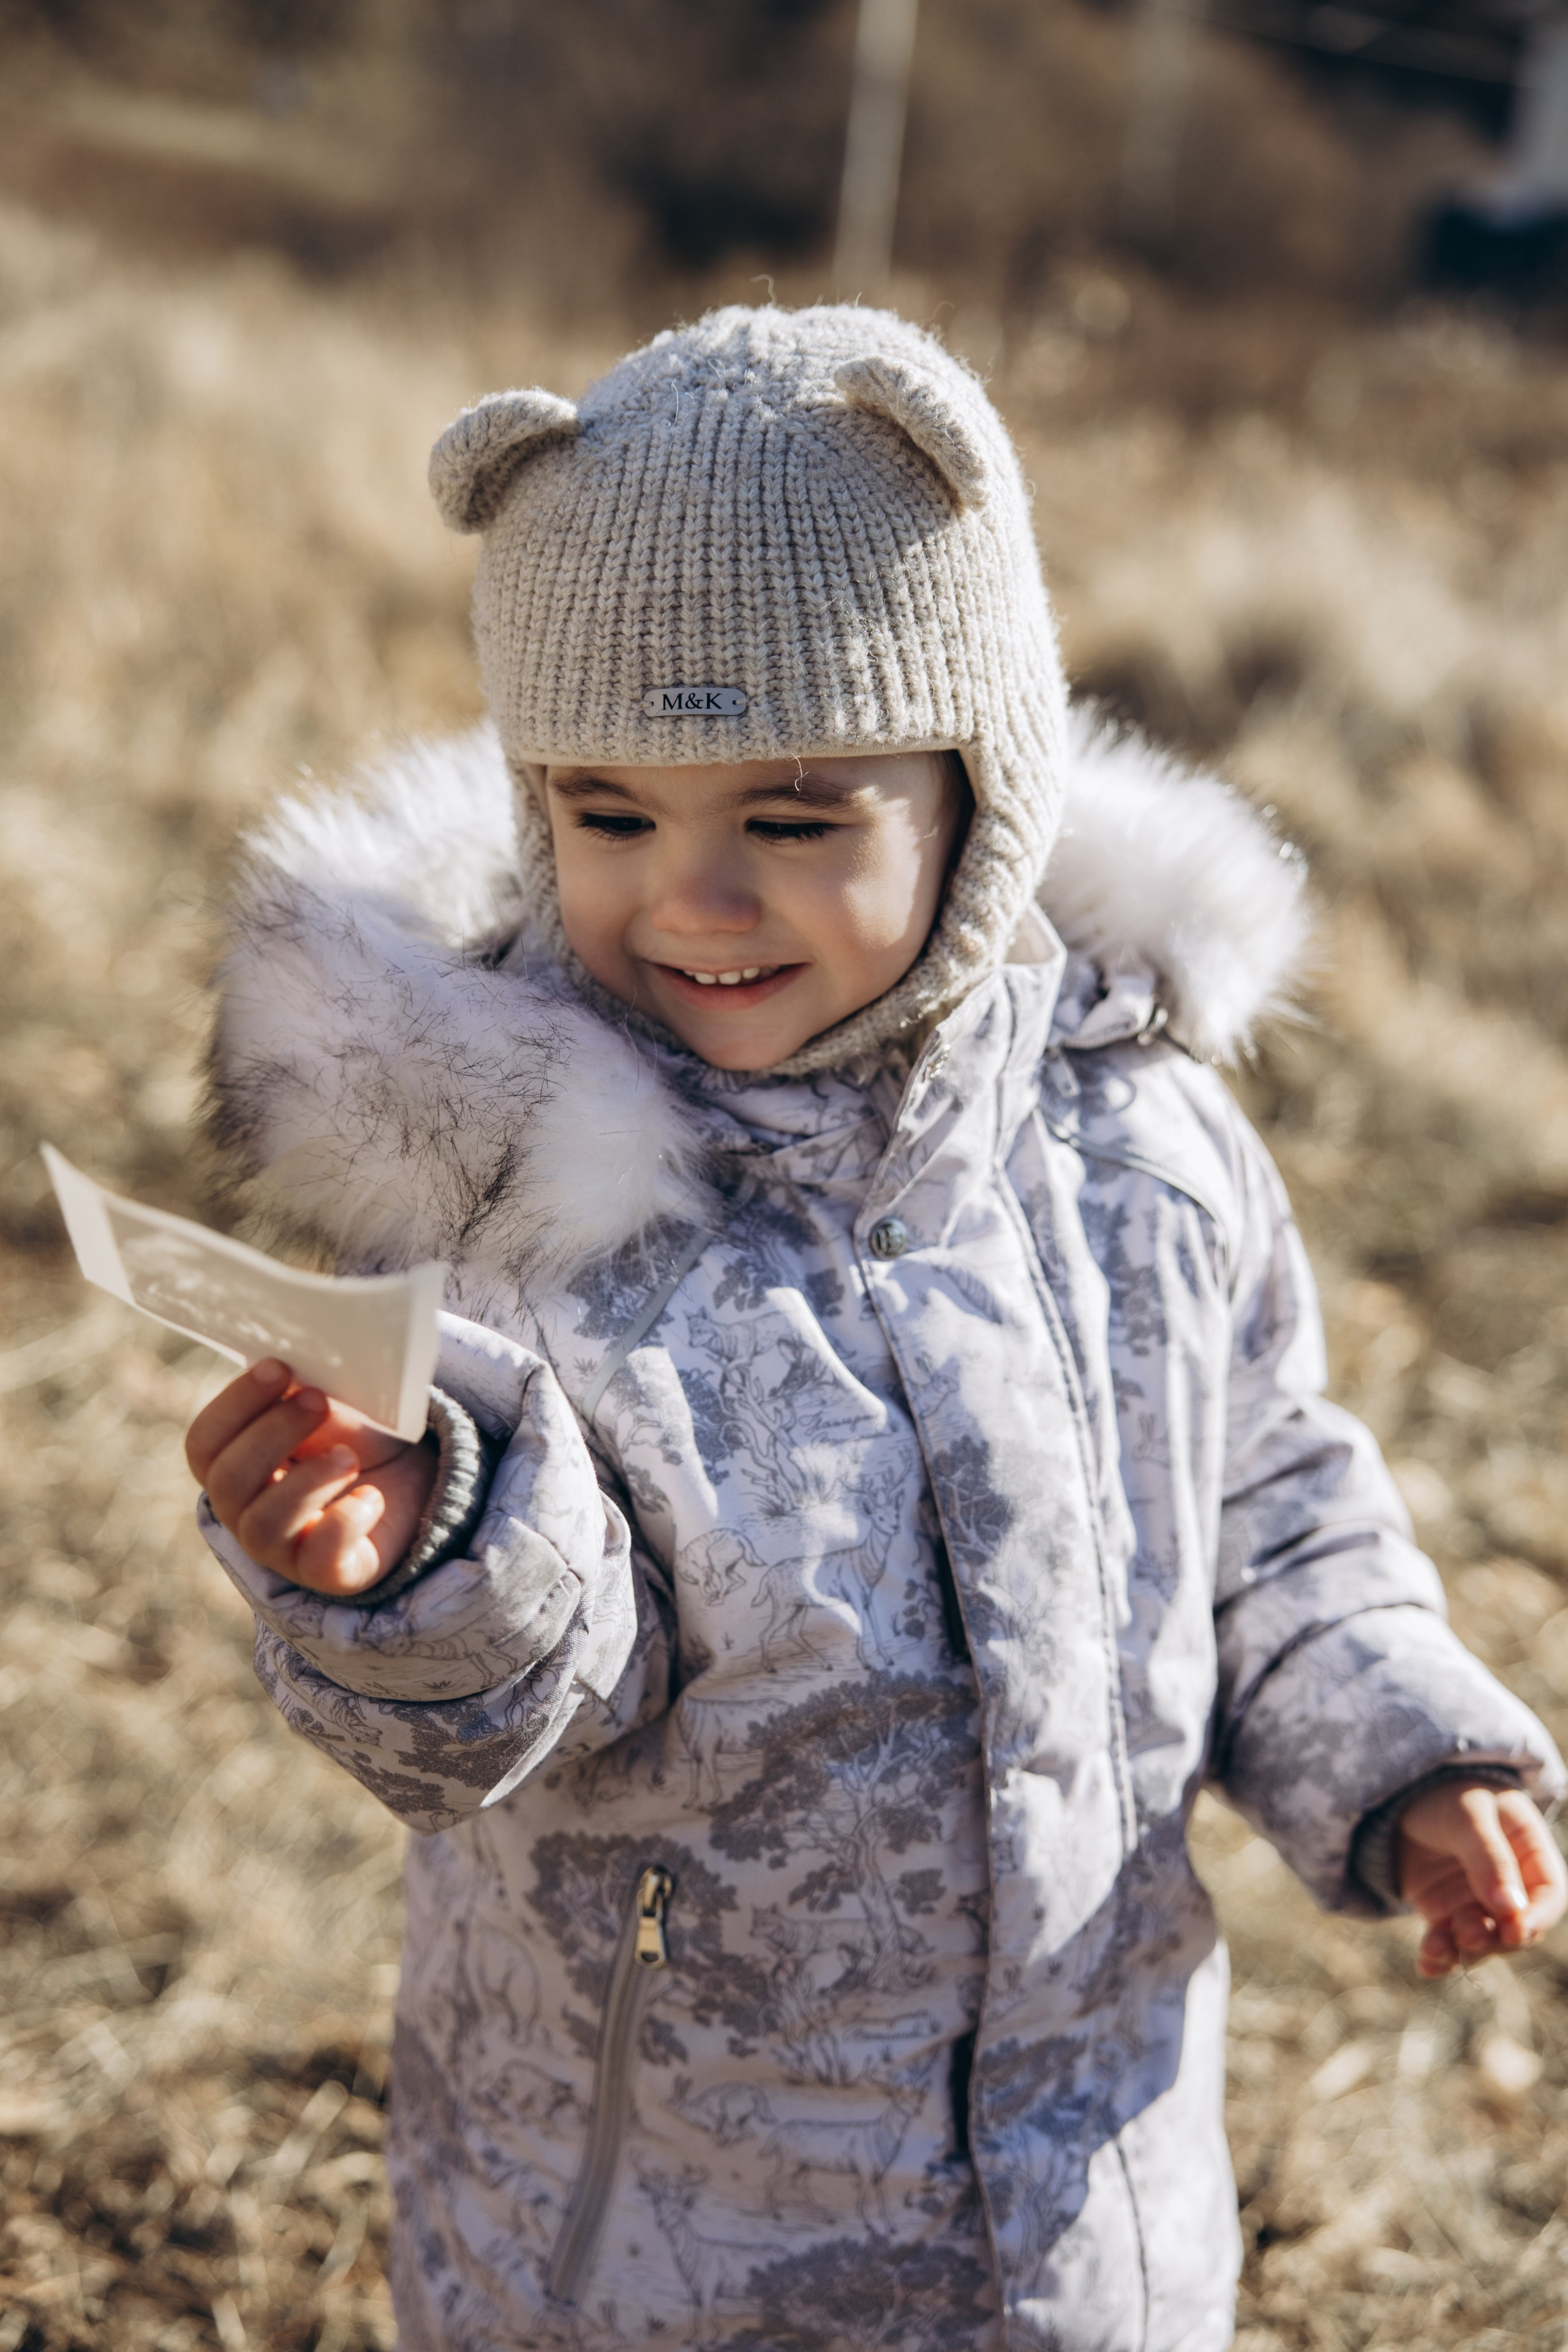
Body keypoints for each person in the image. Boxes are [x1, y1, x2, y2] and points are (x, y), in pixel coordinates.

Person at [185, 306, 1565, 2352]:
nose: (695, 900)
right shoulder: (526, 1204)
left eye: (794, 820)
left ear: (981, 789)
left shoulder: (1147, 1146)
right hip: (655, 2248)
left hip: (1088, 2219)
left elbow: (1267, 1498)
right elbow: (530, 1697)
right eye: (612, 817)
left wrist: (1400, 1753)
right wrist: (416, 1559)